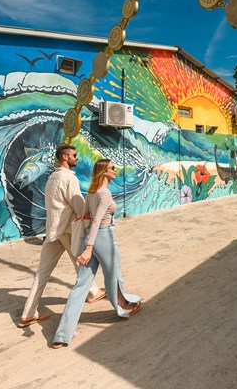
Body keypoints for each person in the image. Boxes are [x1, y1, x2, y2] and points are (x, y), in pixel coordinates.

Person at [52, 159, 142, 348]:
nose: (115, 170)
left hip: (89, 239)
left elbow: (85, 217)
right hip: (103, 238)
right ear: (104, 172)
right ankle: (123, 307)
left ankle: (63, 333)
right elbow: (96, 221)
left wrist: (87, 245)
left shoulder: (91, 193)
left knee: (81, 286)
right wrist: (90, 248)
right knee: (114, 275)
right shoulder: (105, 194)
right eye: (112, 168)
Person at [18, 144, 105, 328]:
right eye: (74, 155)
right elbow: (78, 205)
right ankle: (92, 293)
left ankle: (28, 313)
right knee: (81, 263)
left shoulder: (52, 177)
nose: (77, 158)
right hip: (66, 231)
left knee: (41, 274)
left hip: (52, 231)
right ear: (65, 157)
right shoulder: (68, 178)